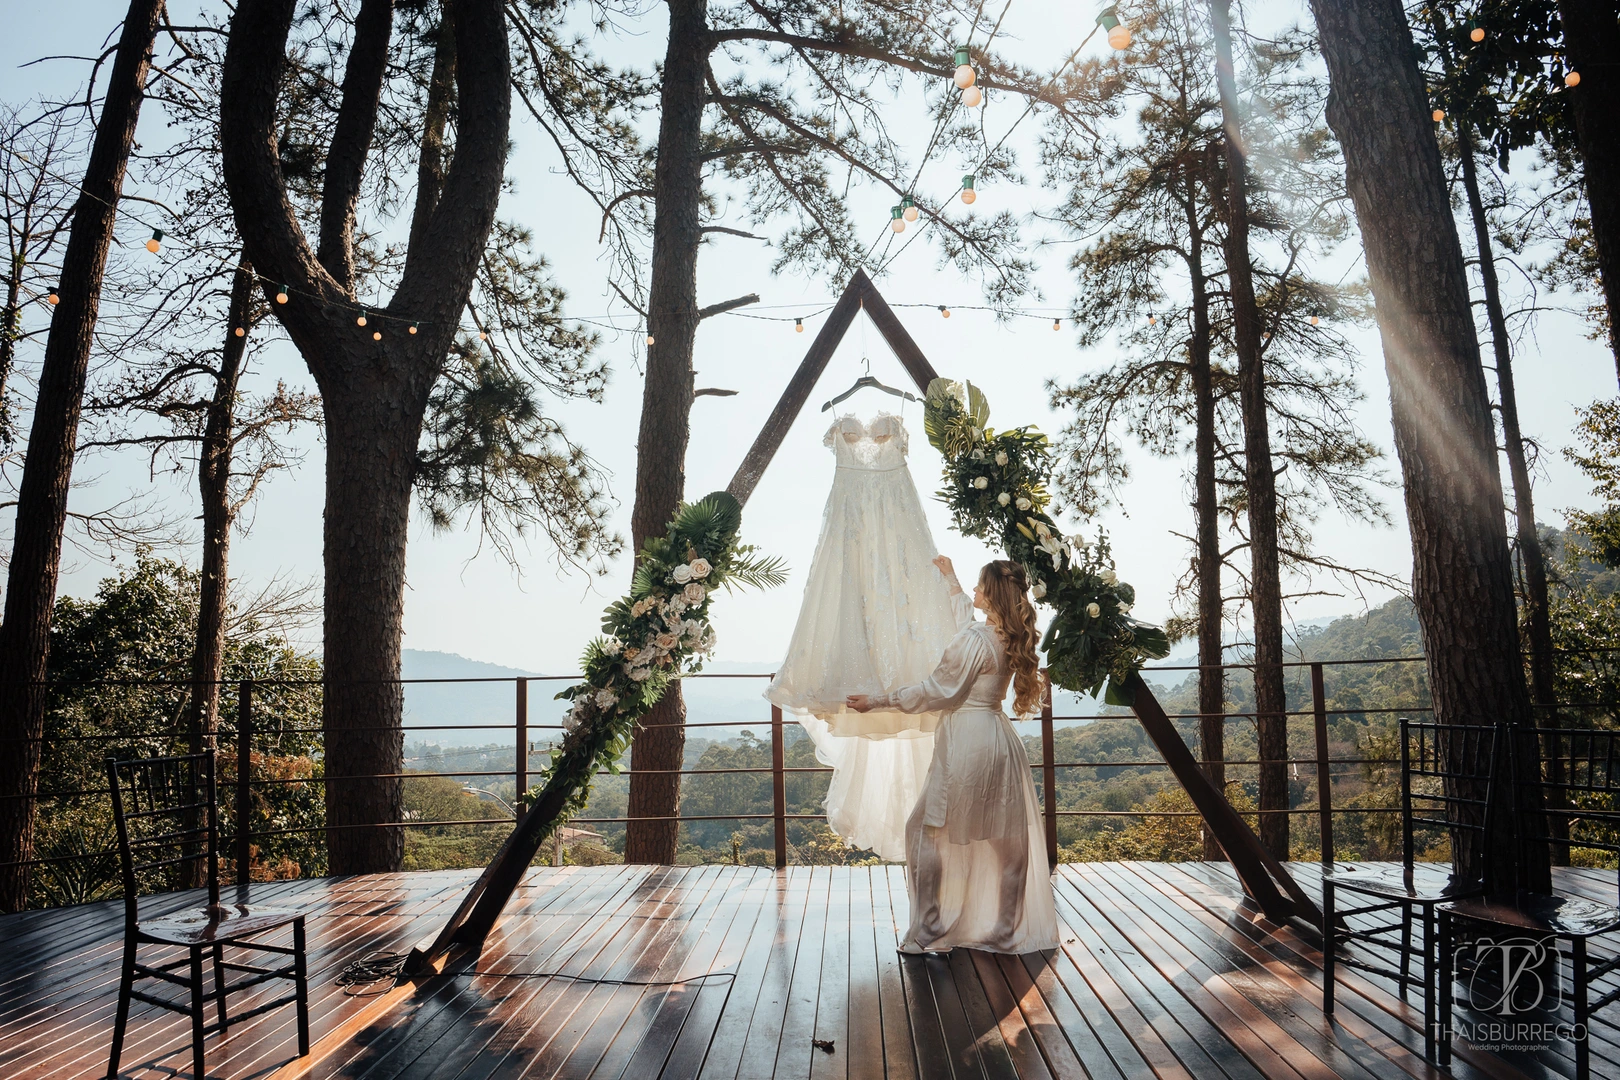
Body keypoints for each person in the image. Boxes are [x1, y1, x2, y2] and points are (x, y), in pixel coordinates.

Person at [848, 556, 1059, 954]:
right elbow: (968, 621)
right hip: (999, 738)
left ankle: (928, 929)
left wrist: (877, 701)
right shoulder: (1009, 635)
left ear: (992, 593)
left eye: (980, 586)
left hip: (967, 742)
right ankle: (1005, 929)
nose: (975, 592)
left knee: (923, 831)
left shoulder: (975, 640)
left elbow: (936, 690)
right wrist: (951, 580)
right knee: (1006, 840)